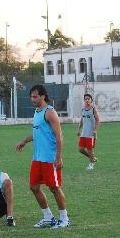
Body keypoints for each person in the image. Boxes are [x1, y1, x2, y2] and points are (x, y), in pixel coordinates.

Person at [16, 84, 71, 229]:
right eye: (31, 96)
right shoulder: (37, 111)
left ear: (43, 96)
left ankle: (64, 218)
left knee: (54, 188)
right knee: (34, 187)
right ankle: (48, 217)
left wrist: (58, 157)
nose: (32, 99)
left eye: (35, 96)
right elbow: (37, 133)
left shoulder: (50, 112)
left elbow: (59, 136)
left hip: (49, 158)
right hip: (37, 158)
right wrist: (24, 141)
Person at [77, 93, 100, 170]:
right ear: (84, 100)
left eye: (88, 99)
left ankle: (91, 164)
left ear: (91, 100)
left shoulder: (93, 109)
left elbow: (98, 120)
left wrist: (95, 130)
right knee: (80, 149)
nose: (87, 100)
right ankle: (93, 158)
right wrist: (79, 129)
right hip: (84, 132)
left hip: (90, 133)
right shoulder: (83, 109)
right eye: (85, 99)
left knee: (90, 149)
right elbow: (82, 120)